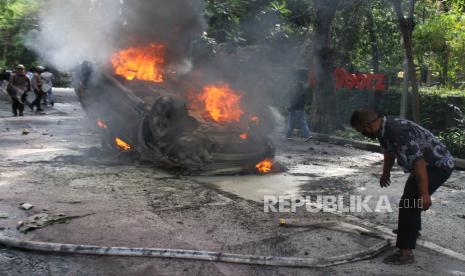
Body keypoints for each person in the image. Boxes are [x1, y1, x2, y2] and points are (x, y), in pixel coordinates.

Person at [350, 109, 454, 265]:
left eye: (361, 130)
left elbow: (418, 163)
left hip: (437, 165)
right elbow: (389, 153)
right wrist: (385, 173)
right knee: (410, 198)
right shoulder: (383, 129)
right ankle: (411, 231)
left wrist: (425, 194)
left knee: (409, 203)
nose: (362, 133)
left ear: (366, 125)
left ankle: (405, 253)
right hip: (427, 165)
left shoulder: (397, 131)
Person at [286, 70, 312, 141]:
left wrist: (290, 107)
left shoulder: (296, 91)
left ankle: (288, 135)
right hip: (301, 109)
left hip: (294, 109)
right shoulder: (303, 91)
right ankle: (307, 135)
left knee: (291, 122)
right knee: (302, 122)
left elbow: (295, 101)